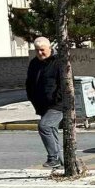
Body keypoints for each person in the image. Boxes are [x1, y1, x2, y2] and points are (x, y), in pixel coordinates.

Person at [25, 37, 65, 168]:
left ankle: (53, 158)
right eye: (37, 50)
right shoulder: (34, 63)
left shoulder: (58, 63)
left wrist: (58, 99)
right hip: (42, 105)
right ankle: (61, 162)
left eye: (42, 50)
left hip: (57, 104)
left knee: (45, 126)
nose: (40, 53)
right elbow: (29, 82)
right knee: (51, 131)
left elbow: (64, 85)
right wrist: (31, 97)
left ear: (49, 48)